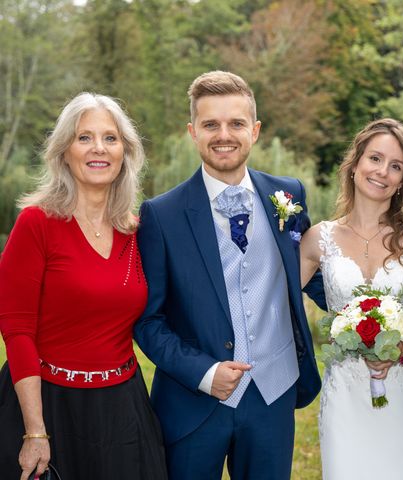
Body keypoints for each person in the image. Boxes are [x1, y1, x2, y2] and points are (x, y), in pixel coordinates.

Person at [133, 70, 321, 479]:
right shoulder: (160, 215)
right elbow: (148, 322)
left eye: (236, 123)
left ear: (254, 131)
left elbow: (311, 272)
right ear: (192, 132)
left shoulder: (287, 195)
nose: (224, 134)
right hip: (193, 402)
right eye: (210, 124)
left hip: (274, 394)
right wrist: (203, 373)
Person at [0, 93, 168, 480]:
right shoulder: (36, 224)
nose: (99, 149)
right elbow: (17, 330)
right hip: (48, 405)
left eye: (110, 138)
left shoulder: (136, 230)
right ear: (64, 151)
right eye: (84, 137)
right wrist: (35, 430)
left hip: (122, 406)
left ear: (126, 152)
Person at [300, 118, 403, 479]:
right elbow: (277, 304)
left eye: (396, 166)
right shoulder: (319, 239)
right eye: (375, 159)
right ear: (356, 162)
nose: (383, 172)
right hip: (344, 395)